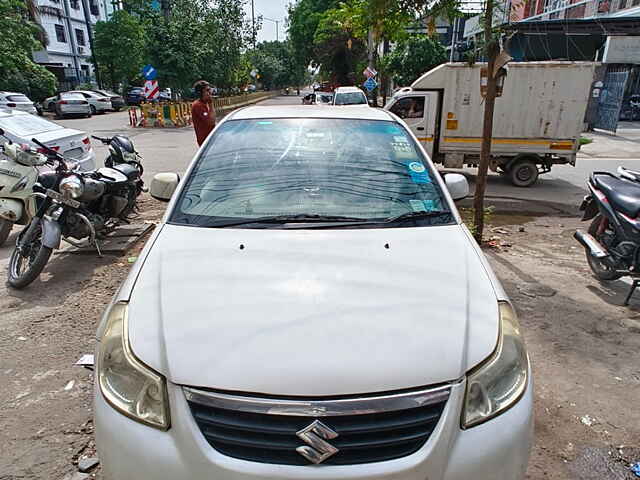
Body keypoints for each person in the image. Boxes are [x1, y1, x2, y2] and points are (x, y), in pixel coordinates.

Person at [191, 80, 216, 146]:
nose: (210, 92)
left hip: (211, 139)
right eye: (207, 90)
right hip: (206, 142)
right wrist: (211, 103)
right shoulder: (198, 105)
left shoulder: (205, 103)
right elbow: (211, 122)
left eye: (210, 89)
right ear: (200, 93)